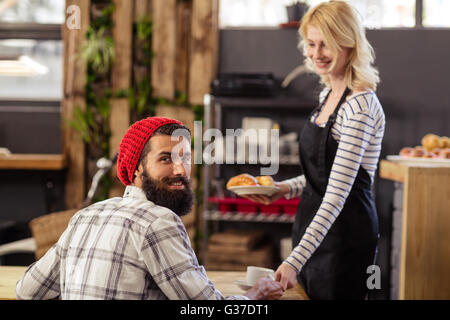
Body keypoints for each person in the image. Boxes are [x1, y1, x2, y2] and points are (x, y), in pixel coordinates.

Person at [16, 117, 284, 300]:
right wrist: (254, 296)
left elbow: (27, 291)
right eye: (166, 159)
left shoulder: (85, 217)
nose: (181, 170)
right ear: (136, 169)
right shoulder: (158, 221)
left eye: (186, 158)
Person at [245, 1, 385, 299]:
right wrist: (283, 188)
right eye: (311, 43)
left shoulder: (360, 104)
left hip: (345, 238)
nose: (316, 53)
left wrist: (295, 259)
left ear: (348, 43)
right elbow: (322, 176)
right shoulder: (328, 94)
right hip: (315, 231)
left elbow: (336, 195)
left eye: (327, 44)